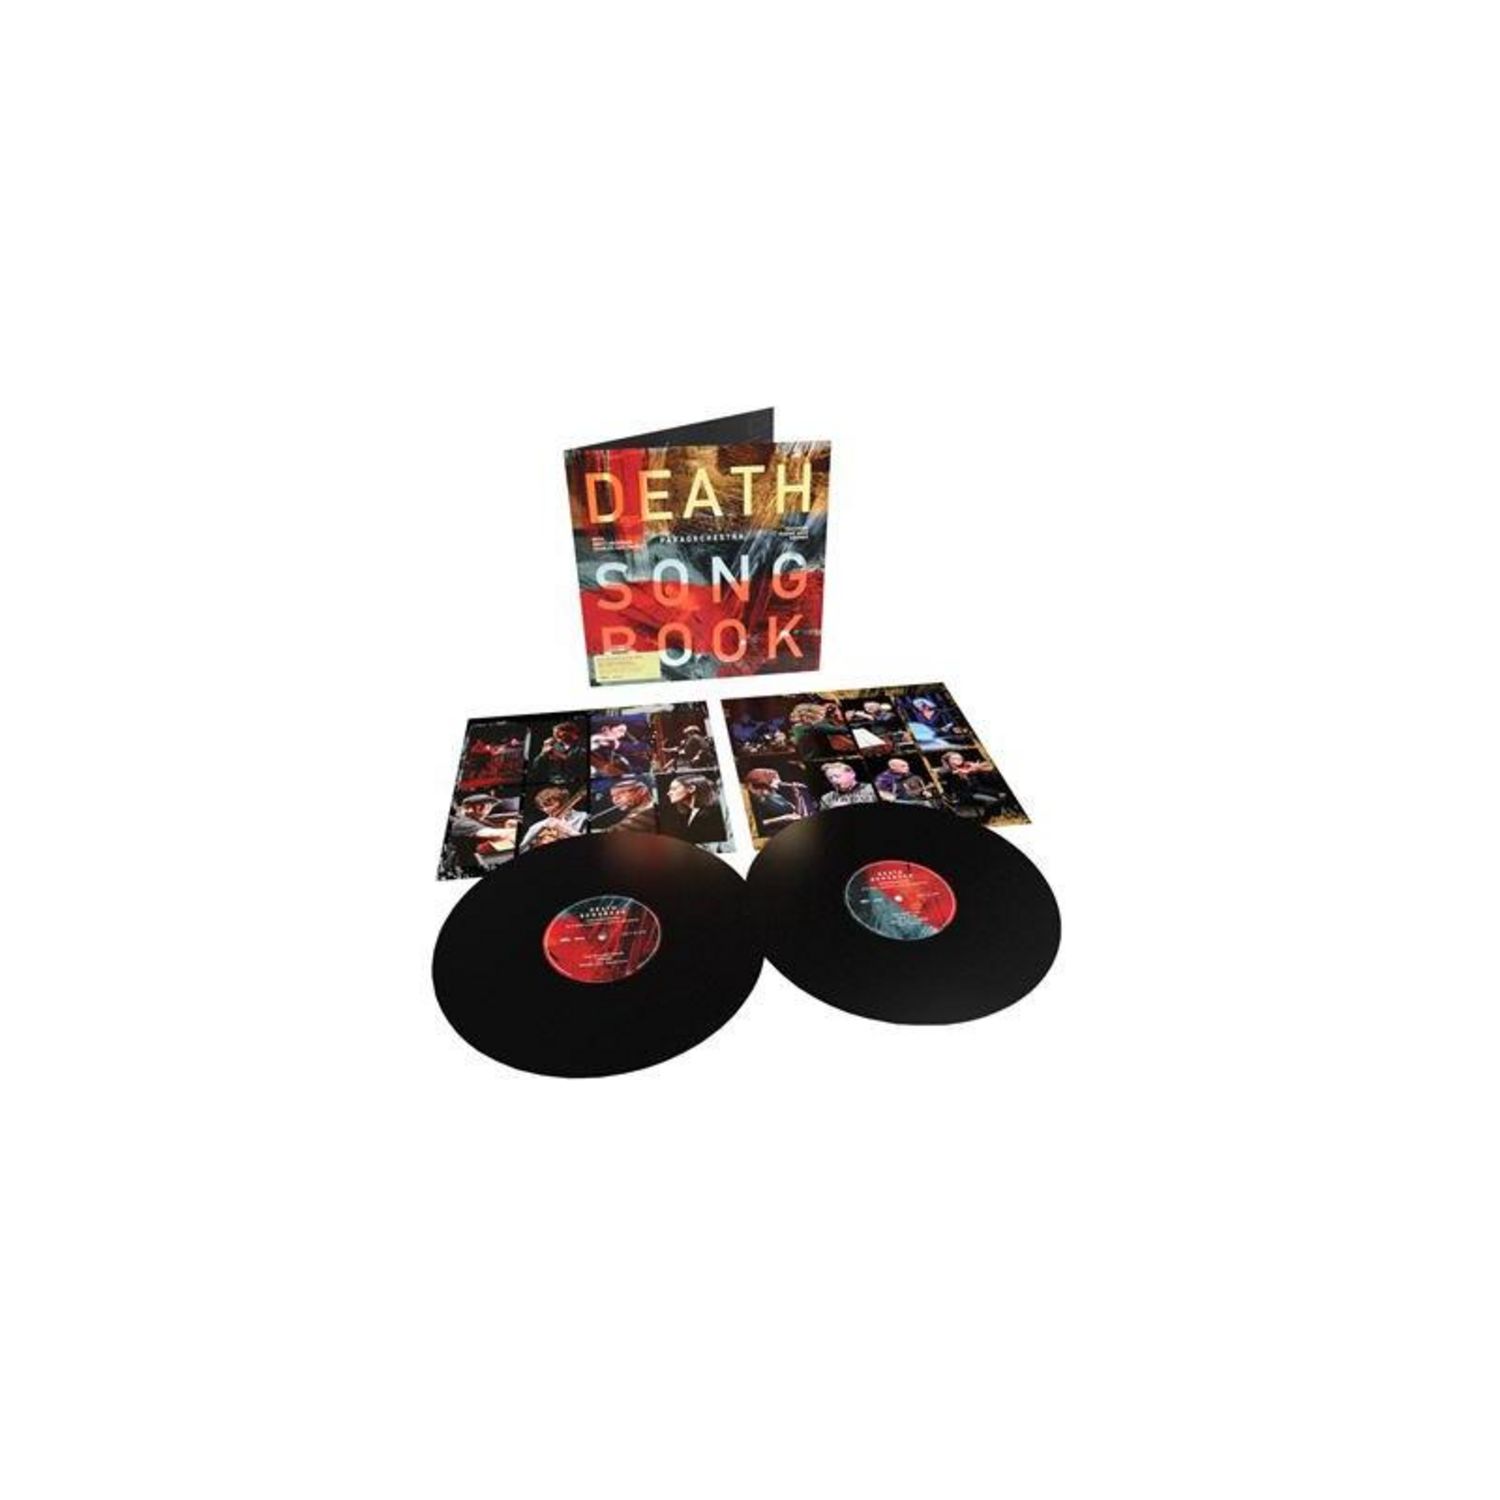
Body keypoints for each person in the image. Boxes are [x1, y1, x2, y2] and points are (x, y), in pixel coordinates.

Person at [445, 794, 518, 873]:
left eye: (489, 806)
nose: (486, 809)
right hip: (459, 865)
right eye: (482, 806)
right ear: (468, 808)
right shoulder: (462, 823)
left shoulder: (479, 820)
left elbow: (496, 831)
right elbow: (496, 834)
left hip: (472, 859)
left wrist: (508, 825)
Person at [657, 775, 727, 844]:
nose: (668, 793)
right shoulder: (687, 814)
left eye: (674, 789)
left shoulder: (713, 814)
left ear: (691, 789)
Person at [744, 767, 816, 831]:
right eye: (775, 778)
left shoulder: (775, 797)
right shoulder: (750, 801)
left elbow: (796, 812)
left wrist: (797, 796)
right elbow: (757, 825)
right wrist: (781, 819)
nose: (779, 780)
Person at [518, 785, 588, 850]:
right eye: (542, 807)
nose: (545, 810)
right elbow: (522, 849)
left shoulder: (583, 817)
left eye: (549, 805)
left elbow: (588, 844)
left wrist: (568, 830)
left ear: (563, 802)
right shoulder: (540, 825)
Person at [873, 756, 938, 806]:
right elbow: (879, 792)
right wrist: (889, 797)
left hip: (913, 800)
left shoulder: (910, 775)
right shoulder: (884, 778)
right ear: (893, 767)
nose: (907, 768)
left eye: (907, 766)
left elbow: (915, 789)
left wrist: (924, 792)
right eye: (903, 766)